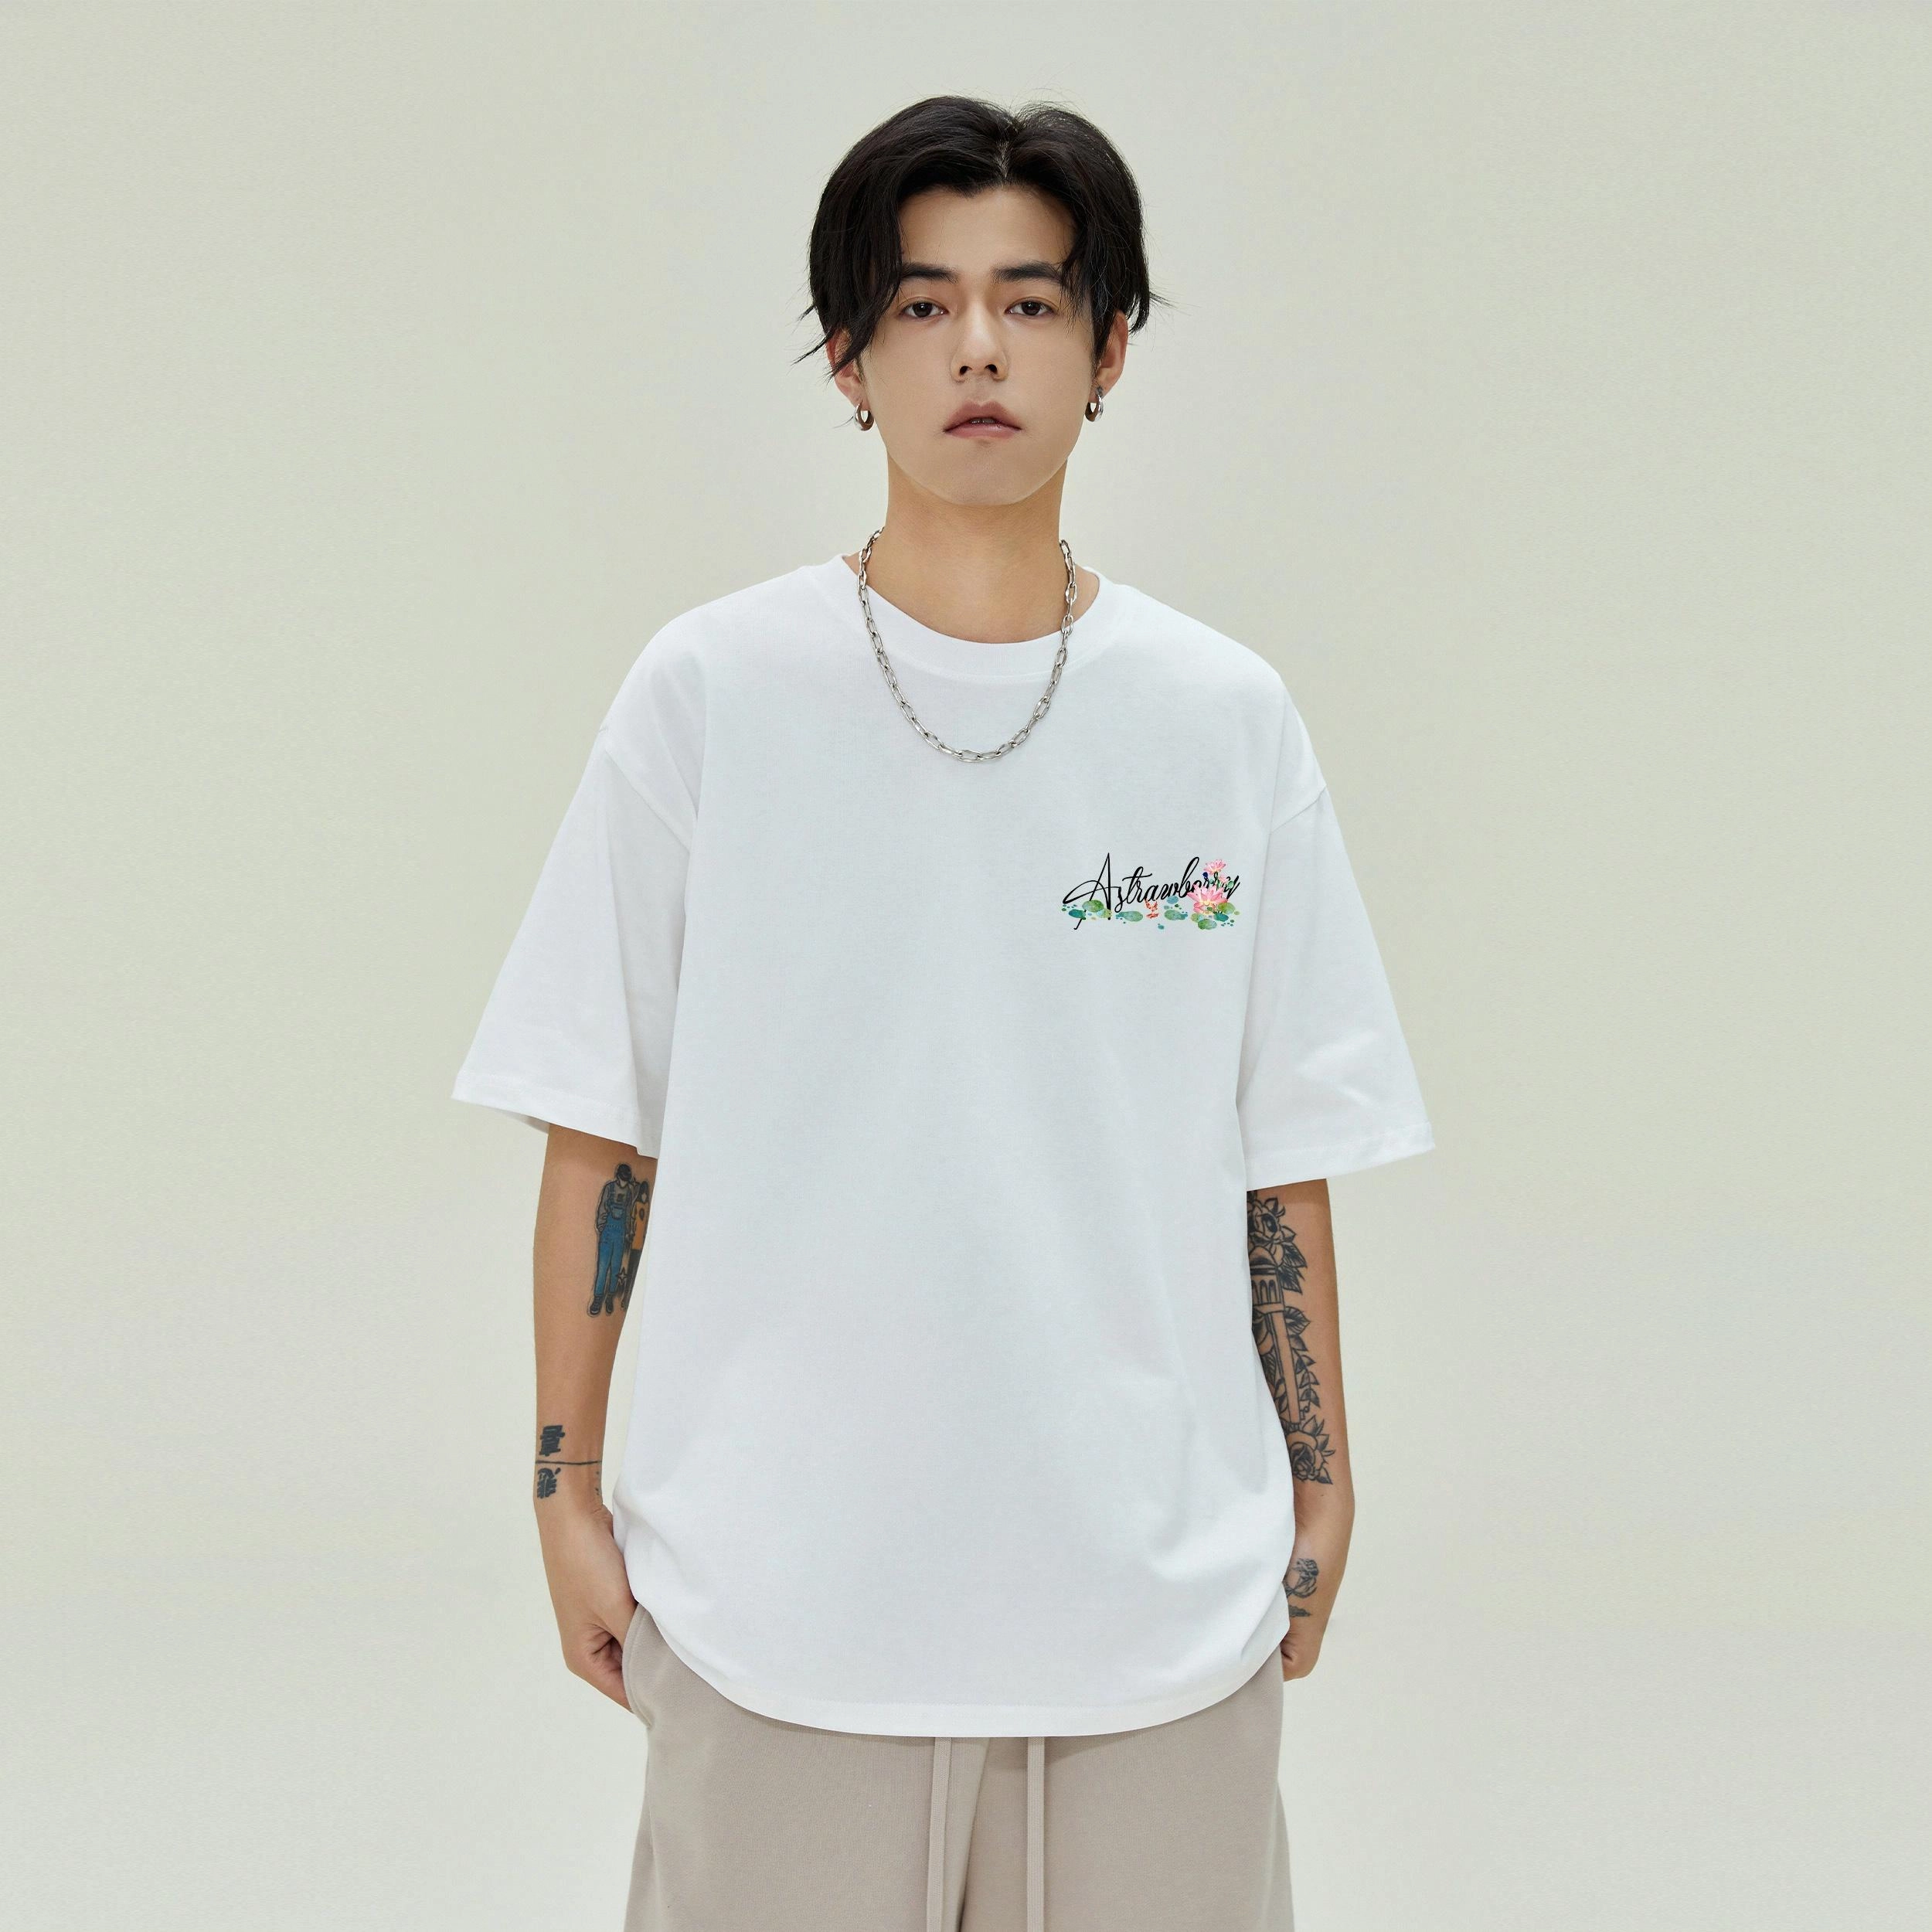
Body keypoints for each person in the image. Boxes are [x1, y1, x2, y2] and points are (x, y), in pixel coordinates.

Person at [454, 93, 1434, 1932]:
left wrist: (1323, 1479)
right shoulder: (710, 694)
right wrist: (561, 1488)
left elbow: (1277, 1145)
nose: (977, 347)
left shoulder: (1219, 719)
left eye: (1030, 300)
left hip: (1154, 1619)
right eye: (920, 305)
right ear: (849, 356)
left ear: (1108, 347)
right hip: (775, 1618)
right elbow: (602, 1120)